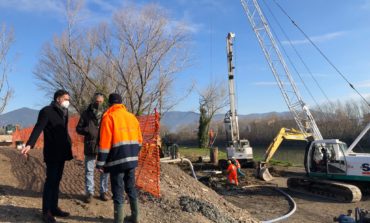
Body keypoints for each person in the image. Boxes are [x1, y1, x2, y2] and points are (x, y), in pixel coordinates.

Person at [21, 89, 72, 223]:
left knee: (57, 180)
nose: (68, 102)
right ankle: (46, 212)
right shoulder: (47, 111)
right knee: (50, 181)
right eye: (66, 99)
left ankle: (54, 208)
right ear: (58, 99)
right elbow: (38, 127)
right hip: (52, 152)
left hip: (62, 152)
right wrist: (30, 144)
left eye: (68, 99)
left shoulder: (65, 112)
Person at [96, 93, 142, 223]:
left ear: (110, 104)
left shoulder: (109, 117)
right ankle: (135, 217)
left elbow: (104, 144)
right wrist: (133, 155)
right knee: (131, 187)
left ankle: (119, 220)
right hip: (132, 160)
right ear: (122, 103)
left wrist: (100, 163)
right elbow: (140, 141)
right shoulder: (132, 117)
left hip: (116, 162)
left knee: (118, 190)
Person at [76, 93, 109, 203]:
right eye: (96, 101)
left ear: (103, 101)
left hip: (104, 145)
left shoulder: (107, 113)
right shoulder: (86, 113)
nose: (98, 103)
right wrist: (88, 130)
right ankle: (89, 192)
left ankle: (103, 192)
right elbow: (78, 128)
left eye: (100, 101)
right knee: (89, 170)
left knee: (104, 169)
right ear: (93, 100)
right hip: (90, 145)